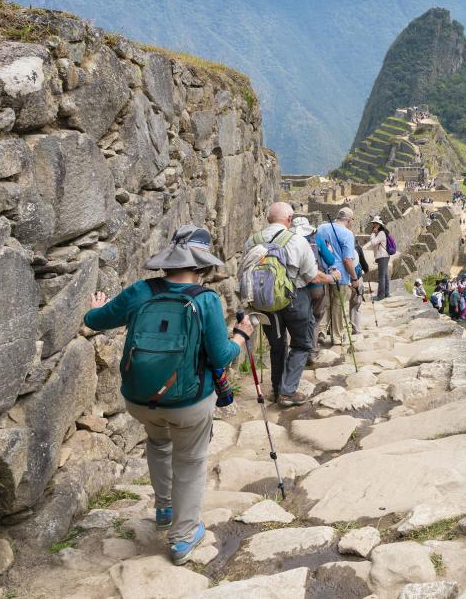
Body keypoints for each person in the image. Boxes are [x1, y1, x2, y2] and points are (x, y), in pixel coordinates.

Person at [85, 225, 255, 565]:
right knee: (190, 463)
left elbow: (95, 320)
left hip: (140, 401)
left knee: (159, 443)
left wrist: (96, 305)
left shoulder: (140, 291)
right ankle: (182, 537)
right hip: (188, 403)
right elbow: (221, 357)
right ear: (202, 264)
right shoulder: (205, 300)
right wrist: (241, 336)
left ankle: (164, 508)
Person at [246, 203, 334, 405]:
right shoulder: (296, 240)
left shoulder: (252, 241)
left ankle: (277, 390)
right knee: (302, 344)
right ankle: (287, 392)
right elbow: (311, 276)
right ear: (289, 219)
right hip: (295, 299)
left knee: (277, 346)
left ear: (268, 219)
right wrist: (331, 278)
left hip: (265, 303)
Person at [292, 215, 337, 364]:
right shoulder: (316, 240)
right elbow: (330, 260)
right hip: (317, 286)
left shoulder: (291, 241)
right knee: (316, 318)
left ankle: (300, 351)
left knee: (300, 319)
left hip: (298, 287)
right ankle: (312, 350)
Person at [317, 208, 360, 343]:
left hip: (322, 272)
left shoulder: (321, 228)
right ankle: (337, 336)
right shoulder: (347, 234)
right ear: (348, 220)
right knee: (338, 305)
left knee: (324, 304)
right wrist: (354, 278)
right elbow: (347, 260)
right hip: (340, 275)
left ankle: (321, 331)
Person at [367, 214, 391, 301]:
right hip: (384, 256)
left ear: (379, 225)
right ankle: (386, 293)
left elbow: (373, 243)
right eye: (374, 223)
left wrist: (373, 233)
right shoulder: (381, 233)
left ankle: (380, 295)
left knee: (381, 276)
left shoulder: (380, 233)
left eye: (376, 224)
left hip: (382, 256)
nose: (374, 225)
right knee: (385, 275)